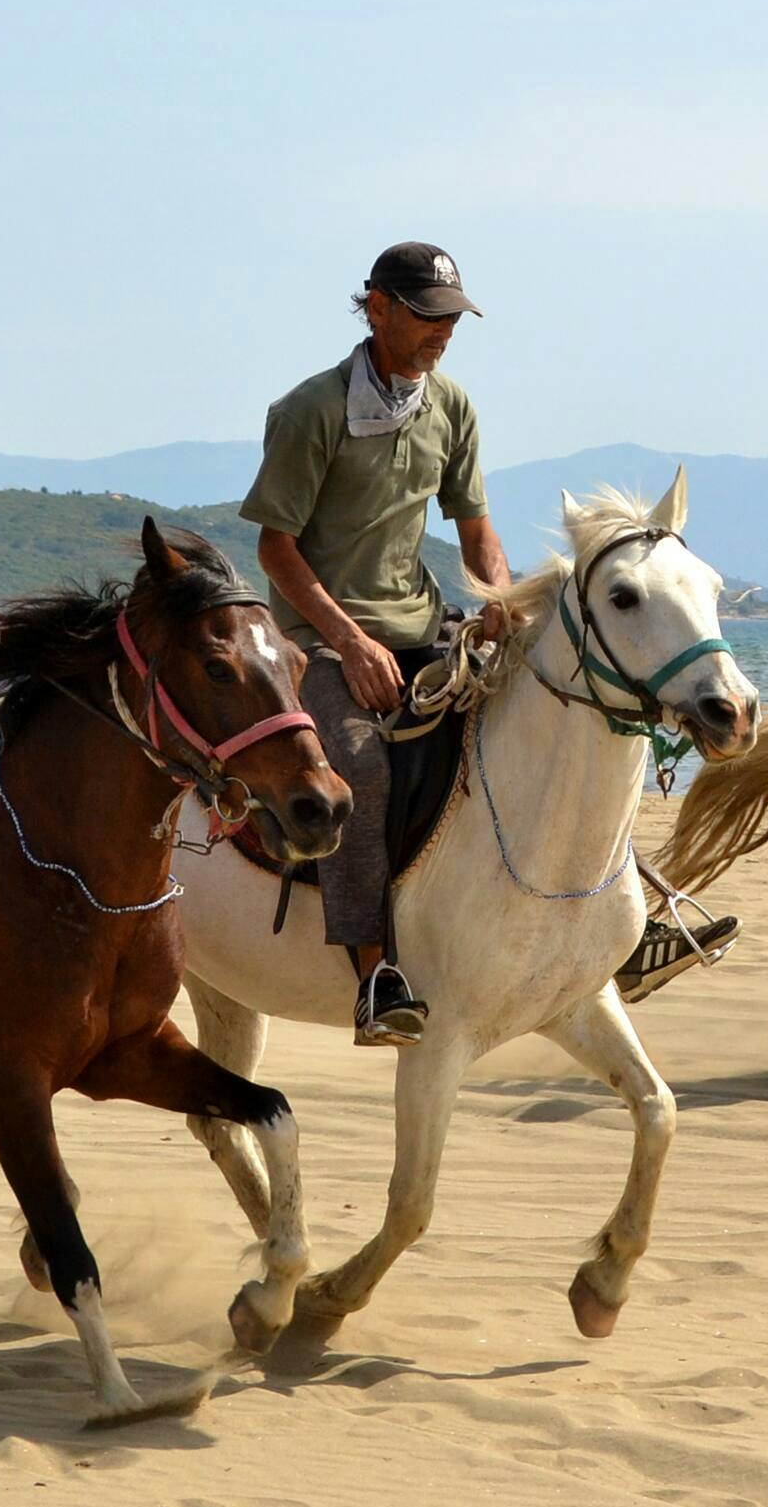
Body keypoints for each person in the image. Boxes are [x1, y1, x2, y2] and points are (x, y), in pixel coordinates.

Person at [240, 243, 733, 1043]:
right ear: (377, 309)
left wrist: (497, 600)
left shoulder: (452, 408)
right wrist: (350, 643)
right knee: (360, 762)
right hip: (322, 641)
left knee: (552, 719)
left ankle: (638, 918)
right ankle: (375, 975)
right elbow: (277, 550)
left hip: (424, 624)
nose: (443, 332)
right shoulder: (310, 411)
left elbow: (476, 532)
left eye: (451, 318)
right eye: (428, 315)